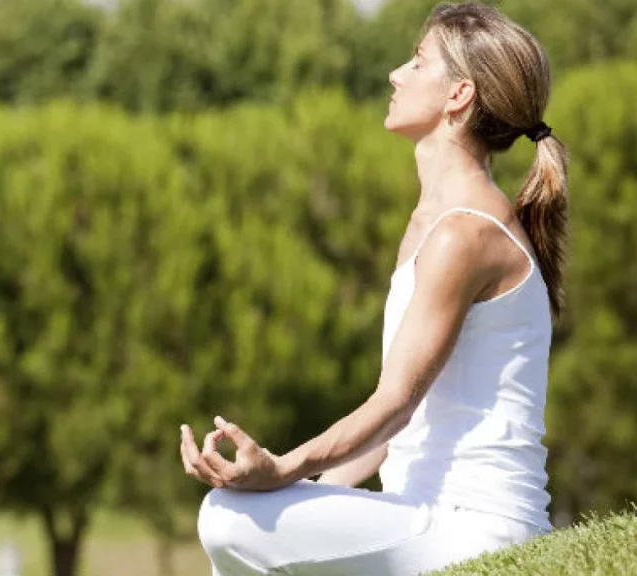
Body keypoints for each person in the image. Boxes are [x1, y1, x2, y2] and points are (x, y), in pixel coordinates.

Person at [179, 3, 569, 575]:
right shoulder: (430, 226)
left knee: (227, 519)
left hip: (477, 531)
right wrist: (294, 497)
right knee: (242, 516)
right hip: (419, 515)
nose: (396, 74)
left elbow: (394, 403)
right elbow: (402, 424)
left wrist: (282, 471)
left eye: (417, 62)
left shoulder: (465, 234)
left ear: (458, 95)